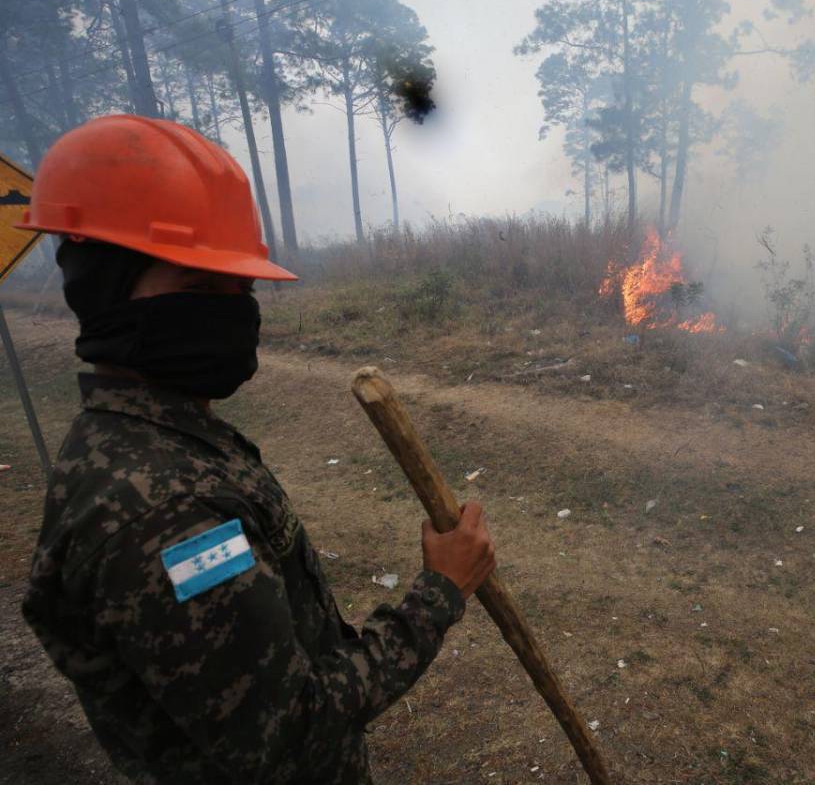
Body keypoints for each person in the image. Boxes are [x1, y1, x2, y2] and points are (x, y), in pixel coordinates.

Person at [18, 114, 496, 784]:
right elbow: (291, 733)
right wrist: (439, 593)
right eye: (197, 288)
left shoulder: (151, 437)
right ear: (106, 295)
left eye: (237, 287)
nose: (231, 311)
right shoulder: (164, 513)